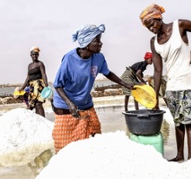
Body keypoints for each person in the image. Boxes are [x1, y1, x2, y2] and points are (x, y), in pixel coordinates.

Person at [140, 4, 191, 162]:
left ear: (159, 18)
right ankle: (180, 155)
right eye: (148, 27)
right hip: (173, 85)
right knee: (178, 122)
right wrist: (155, 97)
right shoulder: (154, 42)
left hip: (190, 80)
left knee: (189, 121)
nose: (151, 28)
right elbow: (158, 71)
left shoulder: (179, 25)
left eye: (152, 24)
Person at [52, 24, 133, 153]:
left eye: (100, 40)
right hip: (65, 105)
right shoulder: (69, 59)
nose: (101, 44)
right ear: (86, 43)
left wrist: (125, 84)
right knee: (65, 147)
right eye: (97, 41)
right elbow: (57, 85)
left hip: (85, 103)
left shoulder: (98, 58)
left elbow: (107, 73)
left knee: (95, 137)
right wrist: (70, 103)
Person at [19, 47, 49, 117]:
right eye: (33, 55)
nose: (34, 56)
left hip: (39, 85)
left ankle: (43, 121)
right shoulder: (29, 66)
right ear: (31, 55)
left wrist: (47, 86)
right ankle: (38, 120)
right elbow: (28, 77)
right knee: (34, 104)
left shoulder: (40, 64)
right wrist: (22, 88)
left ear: (38, 55)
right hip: (32, 86)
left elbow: (44, 74)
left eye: (36, 54)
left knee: (39, 103)